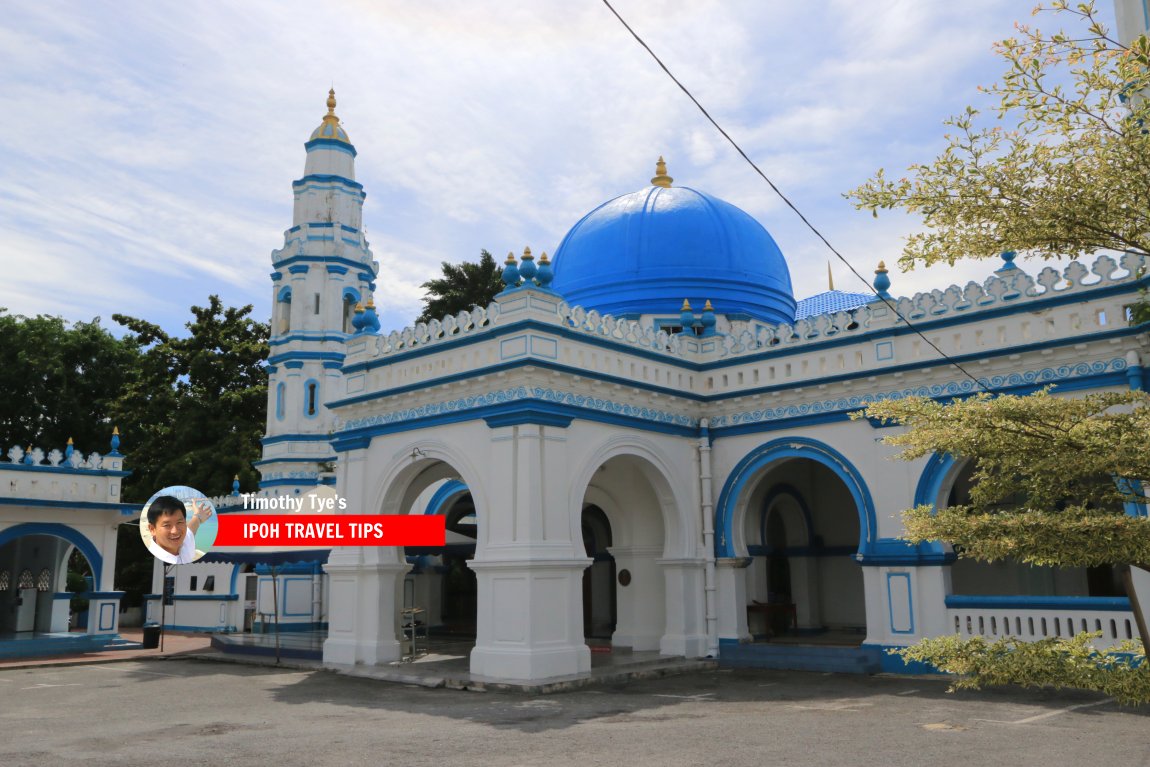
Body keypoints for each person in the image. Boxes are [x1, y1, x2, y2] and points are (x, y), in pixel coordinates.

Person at [144, 495, 213, 564]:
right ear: (152, 529)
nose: (175, 531)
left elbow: (191, 529)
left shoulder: (184, 542)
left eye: (179, 522)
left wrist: (198, 516)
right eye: (167, 525)